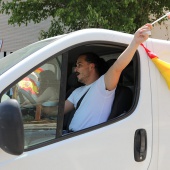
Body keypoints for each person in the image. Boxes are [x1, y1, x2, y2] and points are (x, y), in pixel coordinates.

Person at [64, 24, 152, 132]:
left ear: (91, 67)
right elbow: (59, 111)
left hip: (84, 140)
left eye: (79, 65)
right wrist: (40, 107)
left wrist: (135, 42)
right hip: (68, 136)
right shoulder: (77, 91)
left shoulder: (103, 84)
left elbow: (117, 68)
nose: (75, 70)